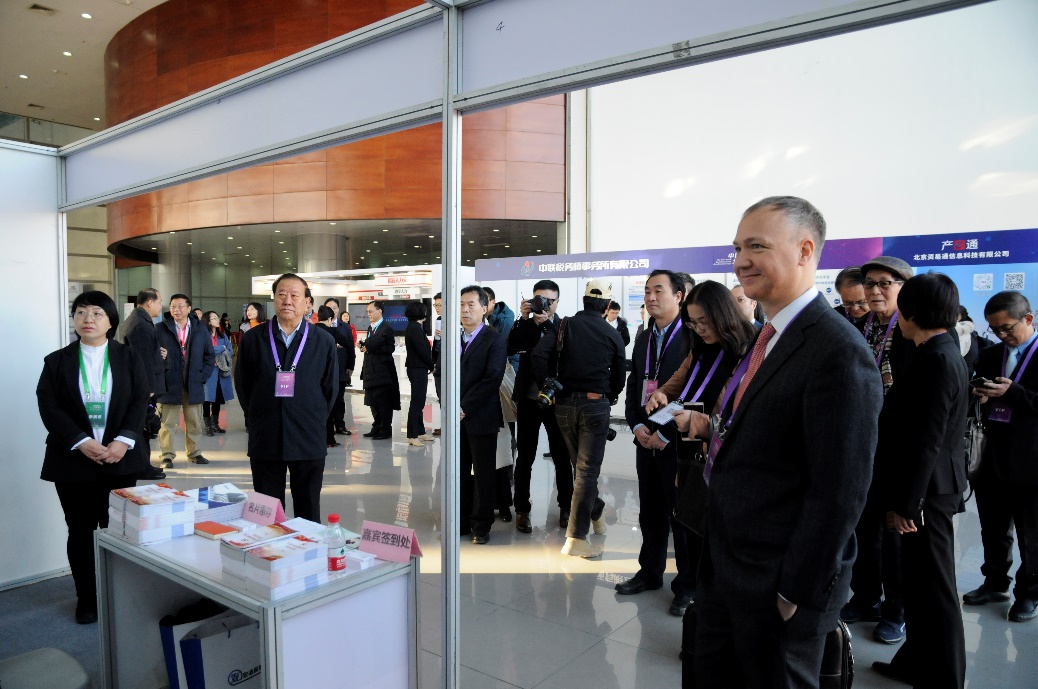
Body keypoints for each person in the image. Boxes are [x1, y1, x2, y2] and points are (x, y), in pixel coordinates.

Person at [680, 196, 883, 689]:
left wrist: (796, 592)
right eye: (737, 248)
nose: (741, 260)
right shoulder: (767, 337)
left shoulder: (838, 351)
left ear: (805, 250)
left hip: (778, 582)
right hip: (726, 562)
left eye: (757, 246)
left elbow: (840, 491)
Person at [870, 272, 968, 688]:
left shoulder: (938, 360)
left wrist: (908, 505)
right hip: (922, 489)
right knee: (918, 584)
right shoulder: (933, 352)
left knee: (937, 588)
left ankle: (947, 677)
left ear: (911, 312)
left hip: (927, 493)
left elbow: (928, 441)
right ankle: (914, 662)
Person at [644, 280, 757, 614]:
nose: (699, 328)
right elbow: (678, 382)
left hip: (723, 456)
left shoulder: (748, 351)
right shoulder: (700, 348)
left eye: (704, 322)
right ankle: (693, 590)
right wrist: (662, 393)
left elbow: (746, 415)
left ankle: (709, 597)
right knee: (690, 521)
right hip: (691, 452)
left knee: (717, 533)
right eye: (693, 322)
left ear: (723, 314)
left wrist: (699, 423)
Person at [37, 290, 149, 624]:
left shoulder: (128, 357)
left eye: (97, 313)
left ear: (111, 321)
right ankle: (87, 598)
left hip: (120, 459)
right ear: (74, 319)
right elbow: (49, 406)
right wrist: (80, 440)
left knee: (118, 530)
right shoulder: (56, 361)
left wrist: (124, 440)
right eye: (81, 312)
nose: (88, 319)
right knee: (81, 530)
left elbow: (140, 399)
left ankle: (120, 594)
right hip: (72, 460)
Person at [842, 255, 914, 644]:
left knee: (894, 535)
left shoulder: (913, 330)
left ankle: (896, 610)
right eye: (869, 283)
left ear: (905, 287)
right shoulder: (861, 326)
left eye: (885, 283)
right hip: (861, 439)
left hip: (897, 445)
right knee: (863, 527)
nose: (874, 291)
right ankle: (865, 596)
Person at [532, 278, 626, 558]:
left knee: (581, 469)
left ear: (584, 301)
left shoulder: (564, 325)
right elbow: (619, 379)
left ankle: (596, 510)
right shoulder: (612, 334)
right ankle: (576, 538)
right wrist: (608, 394)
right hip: (596, 406)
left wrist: (548, 383)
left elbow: (538, 355)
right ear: (606, 306)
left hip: (562, 405)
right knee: (586, 472)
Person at [616, 270, 692, 613]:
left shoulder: (692, 335)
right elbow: (636, 383)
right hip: (644, 438)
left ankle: (686, 585)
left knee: (681, 514)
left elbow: (693, 391)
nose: (650, 297)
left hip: (675, 440)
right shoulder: (645, 336)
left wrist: (666, 432)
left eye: (658, 291)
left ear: (679, 296)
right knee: (650, 510)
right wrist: (635, 425)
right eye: (647, 291)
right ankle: (649, 572)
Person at [234, 274, 337, 522]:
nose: (287, 300)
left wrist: (312, 418)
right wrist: (259, 415)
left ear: (307, 303)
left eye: (294, 295)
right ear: (273, 300)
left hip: (308, 436)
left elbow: (330, 389)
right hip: (266, 435)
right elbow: (243, 385)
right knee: (267, 513)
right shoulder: (253, 339)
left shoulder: (323, 341)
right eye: (281, 294)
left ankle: (308, 547)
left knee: (308, 510)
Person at [964, 291, 1038, 623]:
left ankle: (1029, 594)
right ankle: (994, 582)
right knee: (992, 529)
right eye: (995, 329)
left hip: (1031, 461)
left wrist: (1013, 393)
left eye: (1007, 328)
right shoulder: (991, 354)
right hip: (991, 456)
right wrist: (978, 393)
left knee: (1031, 534)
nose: (1002, 335)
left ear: (1028, 319)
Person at [508, 279, 574, 533]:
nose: (543, 304)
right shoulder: (525, 324)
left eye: (548, 300)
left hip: (556, 400)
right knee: (525, 456)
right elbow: (512, 346)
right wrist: (524, 319)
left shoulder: (563, 326)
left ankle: (566, 506)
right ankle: (522, 509)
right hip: (528, 399)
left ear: (557, 302)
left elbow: (563, 354)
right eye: (539, 299)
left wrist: (546, 324)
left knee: (561, 456)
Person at [457, 286, 508, 544]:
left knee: (483, 473)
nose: (465, 310)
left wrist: (464, 406)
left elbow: (492, 378)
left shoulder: (494, 339)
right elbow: (441, 372)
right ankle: (461, 520)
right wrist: (449, 404)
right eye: (462, 304)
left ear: (484, 308)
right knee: (459, 471)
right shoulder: (454, 337)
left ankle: (481, 525)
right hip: (455, 417)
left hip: (480, 415)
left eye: (471, 305)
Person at [155, 294, 214, 466]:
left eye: (180, 306)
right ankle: (167, 455)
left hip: (193, 382)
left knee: (194, 422)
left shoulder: (200, 329)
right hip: (169, 383)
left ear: (189, 309)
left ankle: (194, 453)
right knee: (167, 423)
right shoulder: (160, 328)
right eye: (173, 306)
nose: (176, 310)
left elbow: (209, 356)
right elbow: (151, 353)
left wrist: (202, 376)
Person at [119, 287, 167, 480]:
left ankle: (144, 465)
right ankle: (141, 467)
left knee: (144, 428)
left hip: (142, 386)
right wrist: (148, 389)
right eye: (159, 302)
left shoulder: (140, 320)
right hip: (143, 387)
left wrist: (159, 352)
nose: (160, 306)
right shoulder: (140, 324)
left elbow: (147, 353)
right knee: (142, 427)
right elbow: (142, 361)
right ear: (150, 302)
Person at [315, 305, 355, 448]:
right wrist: (350, 366)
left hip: (314, 374)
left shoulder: (310, 330)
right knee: (331, 404)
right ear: (331, 319)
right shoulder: (331, 332)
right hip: (330, 372)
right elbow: (350, 344)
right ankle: (329, 439)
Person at [360, 300, 401, 440]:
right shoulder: (370, 328)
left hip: (382, 371)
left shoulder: (386, 328)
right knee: (373, 401)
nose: (369, 314)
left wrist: (370, 347)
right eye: (367, 312)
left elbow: (390, 348)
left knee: (384, 402)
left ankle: (385, 429)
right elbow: (369, 346)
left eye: (371, 311)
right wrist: (365, 347)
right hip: (370, 370)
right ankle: (376, 427)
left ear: (380, 311)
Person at [403, 301, 435, 446]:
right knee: (417, 401)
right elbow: (422, 350)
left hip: (417, 367)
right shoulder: (414, 328)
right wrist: (431, 365)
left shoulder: (415, 326)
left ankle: (420, 431)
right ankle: (412, 434)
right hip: (417, 368)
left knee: (420, 400)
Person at [201, 310, 234, 435]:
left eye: (217, 317)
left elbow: (230, 351)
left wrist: (215, 350)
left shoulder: (222, 336)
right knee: (207, 399)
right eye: (214, 318)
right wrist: (221, 348)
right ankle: (207, 426)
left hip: (221, 371)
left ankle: (215, 424)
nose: (218, 319)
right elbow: (205, 351)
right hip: (208, 371)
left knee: (218, 399)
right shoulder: (203, 336)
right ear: (208, 321)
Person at [333, 306, 357, 432]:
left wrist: (350, 366)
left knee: (339, 398)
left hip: (341, 367)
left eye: (335, 308)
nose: (332, 310)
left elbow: (350, 347)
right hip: (325, 368)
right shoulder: (320, 326)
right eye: (329, 308)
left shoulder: (346, 327)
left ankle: (340, 425)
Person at [431, 292, 443, 436]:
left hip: (450, 364)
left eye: (439, 305)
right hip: (439, 362)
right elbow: (436, 343)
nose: (437, 308)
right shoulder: (439, 319)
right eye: (435, 305)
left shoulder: (457, 321)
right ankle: (444, 424)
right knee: (441, 395)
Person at [956, 305, 981, 375]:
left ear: (961, 315)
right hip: (966, 368)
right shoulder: (969, 329)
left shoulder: (962, 330)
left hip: (961, 369)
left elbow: (959, 352)